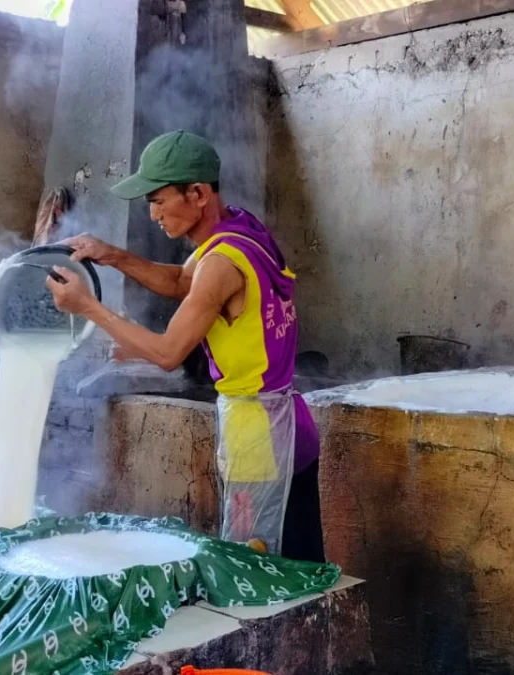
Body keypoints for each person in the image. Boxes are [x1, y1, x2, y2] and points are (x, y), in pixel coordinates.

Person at [45, 130, 325, 562]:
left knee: (255, 566)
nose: (152, 214)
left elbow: (167, 353)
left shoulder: (219, 264)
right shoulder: (241, 230)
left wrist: (87, 306)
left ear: (197, 193)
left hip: (258, 437)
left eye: (158, 200)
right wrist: (111, 255)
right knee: (301, 554)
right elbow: (181, 281)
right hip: (289, 428)